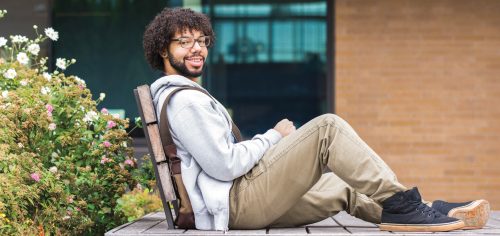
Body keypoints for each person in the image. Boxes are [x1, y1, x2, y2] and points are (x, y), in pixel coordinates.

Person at [142, 7, 490, 232]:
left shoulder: (181, 95)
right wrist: (273, 137)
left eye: (201, 41)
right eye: (184, 42)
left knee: (341, 187)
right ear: (163, 50)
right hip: (234, 205)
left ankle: (424, 214)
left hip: (234, 202)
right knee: (327, 128)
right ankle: (409, 205)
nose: (197, 48)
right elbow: (224, 166)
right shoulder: (186, 101)